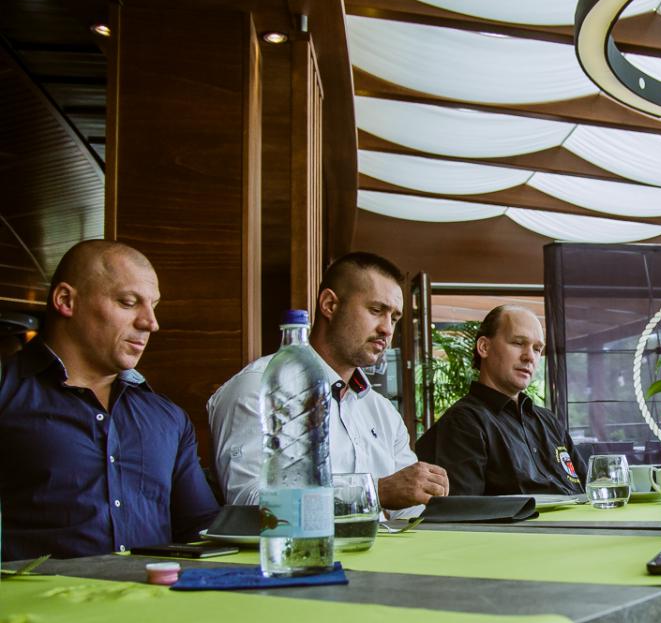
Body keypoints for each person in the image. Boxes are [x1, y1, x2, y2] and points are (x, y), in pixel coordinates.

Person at [0, 240, 219, 560]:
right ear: (66, 300)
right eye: (128, 303)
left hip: (150, 592)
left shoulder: (168, 418)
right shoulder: (6, 393)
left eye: (154, 306)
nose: (151, 323)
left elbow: (202, 531)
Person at [208, 252, 448, 512]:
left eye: (395, 318)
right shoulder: (260, 388)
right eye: (376, 310)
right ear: (329, 305)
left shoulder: (383, 412)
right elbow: (249, 503)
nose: (387, 329)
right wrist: (375, 492)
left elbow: (411, 512)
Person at [415, 305, 584, 496]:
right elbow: (465, 510)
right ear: (484, 347)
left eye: (537, 349)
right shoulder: (463, 423)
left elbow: (589, 487)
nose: (530, 357)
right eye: (518, 343)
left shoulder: (548, 421)